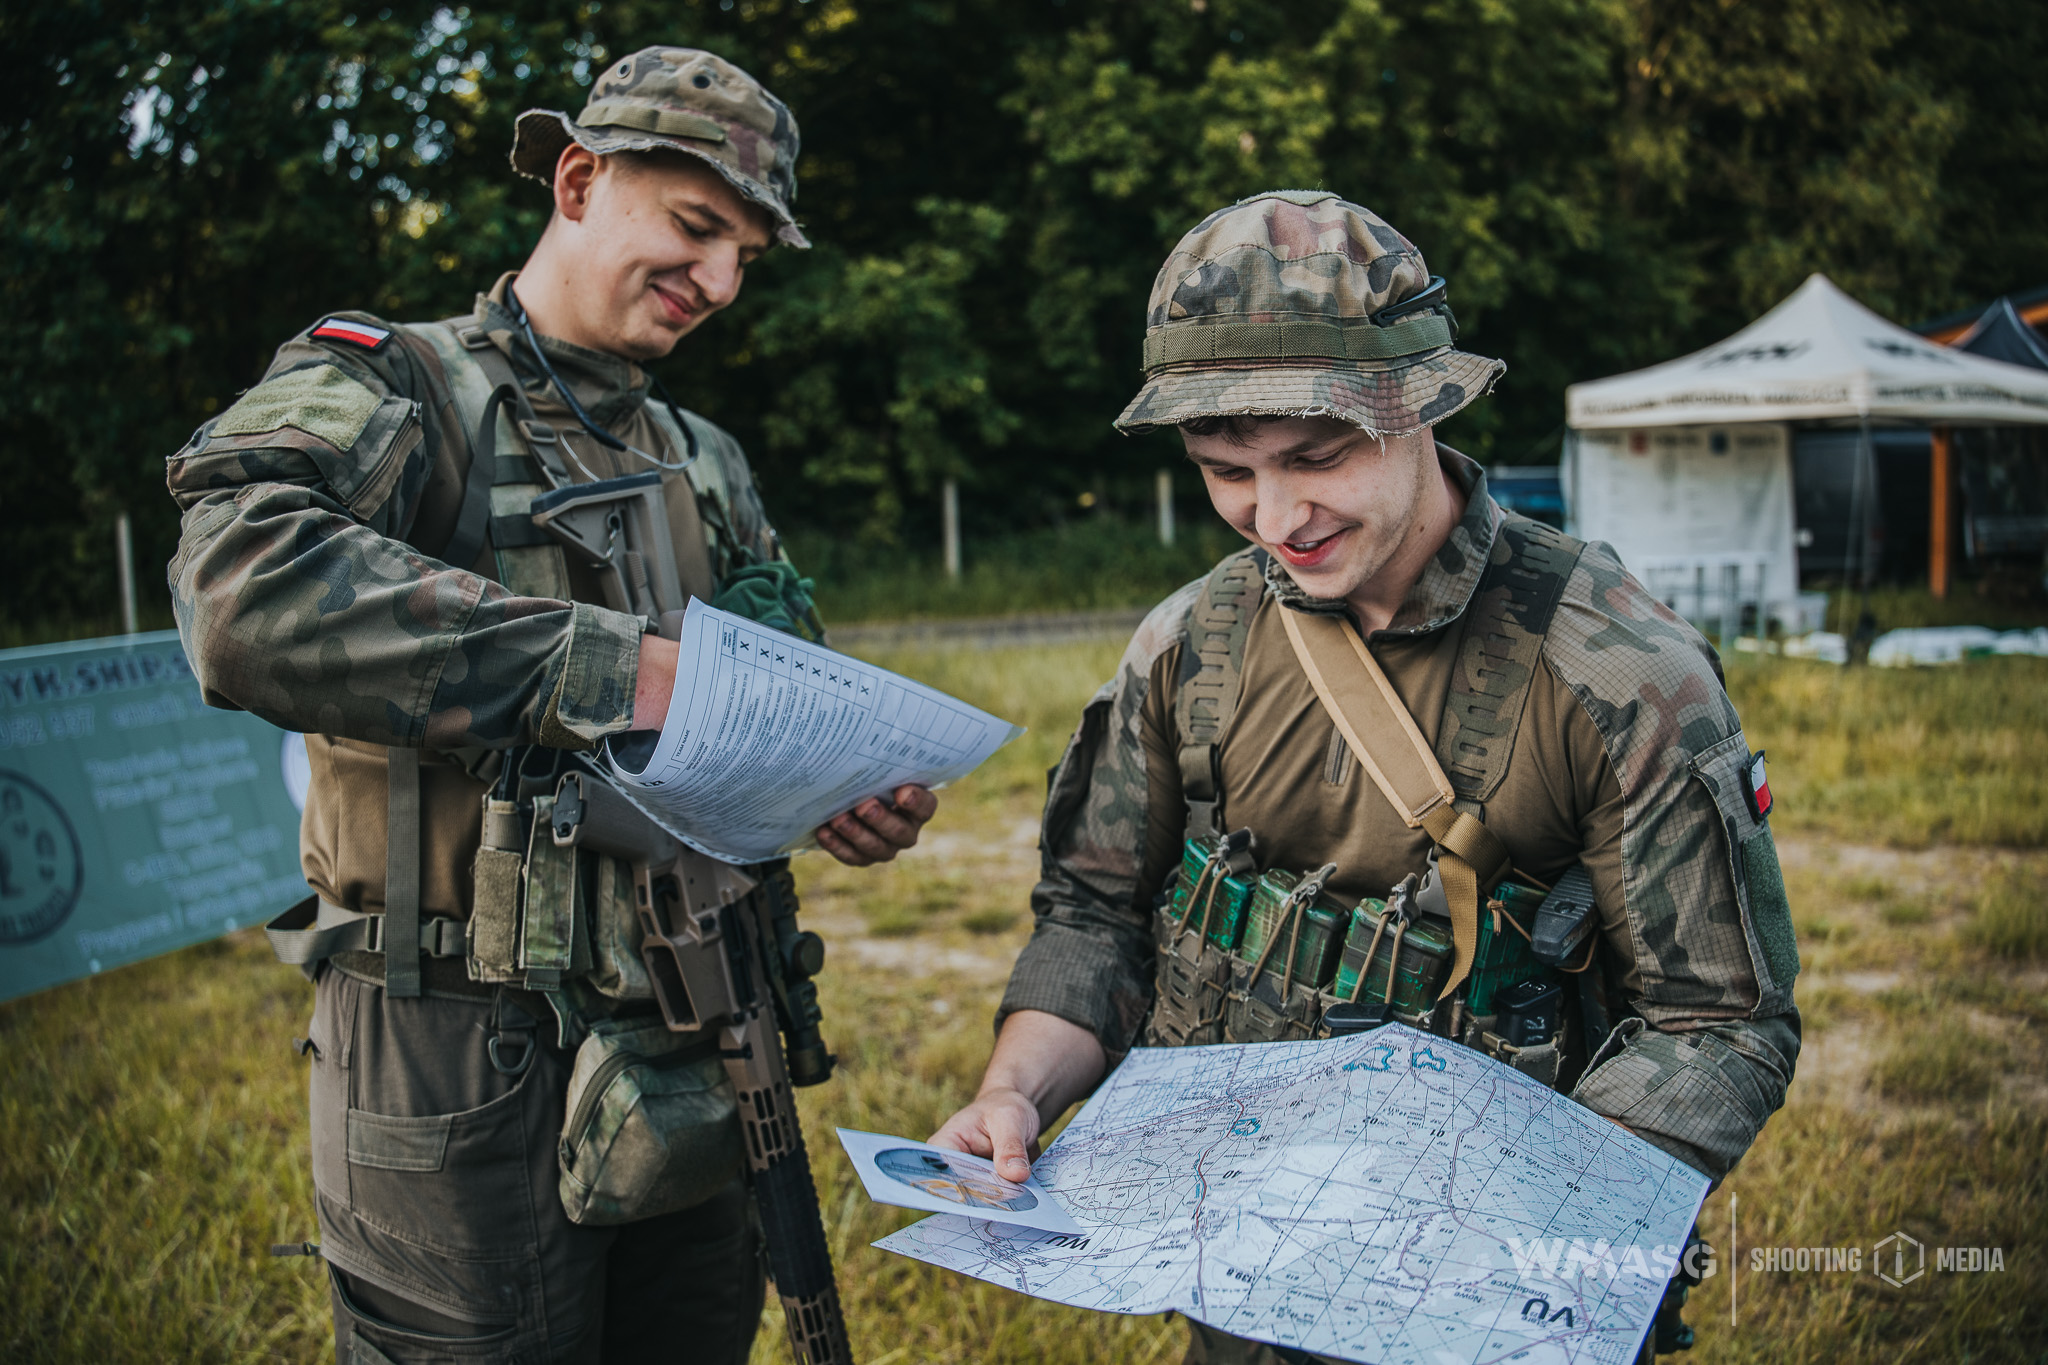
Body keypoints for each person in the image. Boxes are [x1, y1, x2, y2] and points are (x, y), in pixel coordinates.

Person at [930, 191, 1801, 1364]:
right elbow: (1094, 915)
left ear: (1422, 407)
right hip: (1233, 1271)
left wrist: (1513, 1228)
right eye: (1224, 471)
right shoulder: (1191, 645)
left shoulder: (1617, 673)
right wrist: (1016, 1093)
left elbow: (1719, 1022)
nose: (1274, 517)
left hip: (1484, 1301)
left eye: (1316, 457)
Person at [166, 47, 934, 1364]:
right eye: (695, 227)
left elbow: (773, 696)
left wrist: (834, 787)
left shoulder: (702, 459)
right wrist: (611, 669)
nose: (720, 281)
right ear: (577, 181)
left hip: (696, 1026)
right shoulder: (398, 386)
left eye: (747, 253)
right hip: (451, 1046)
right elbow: (239, 593)